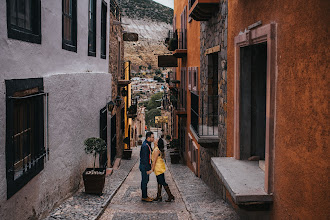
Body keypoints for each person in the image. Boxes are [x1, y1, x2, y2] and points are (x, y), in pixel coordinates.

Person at [139, 131, 154, 202]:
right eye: (152, 137)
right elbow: (145, 158)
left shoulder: (147, 144)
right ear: (148, 138)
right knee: (144, 181)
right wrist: (148, 168)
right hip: (144, 166)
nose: (153, 138)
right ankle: (144, 196)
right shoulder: (145, 146)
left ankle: (145, 195)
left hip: (144, 166)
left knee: (145, 180)